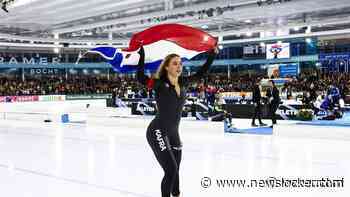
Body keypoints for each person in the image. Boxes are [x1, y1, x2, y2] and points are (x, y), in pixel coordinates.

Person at [137, 45, 217, 197]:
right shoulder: (159, 83)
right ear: (166, 67)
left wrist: (212, 55)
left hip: (174, 133)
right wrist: (142, 55)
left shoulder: (183, 82)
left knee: (176, 169)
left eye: (180, 63)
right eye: (175, 63)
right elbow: (141, 78)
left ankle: (177, 194)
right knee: (171, 170)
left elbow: (202, 73)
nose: (179, 66)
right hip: (157, 132)